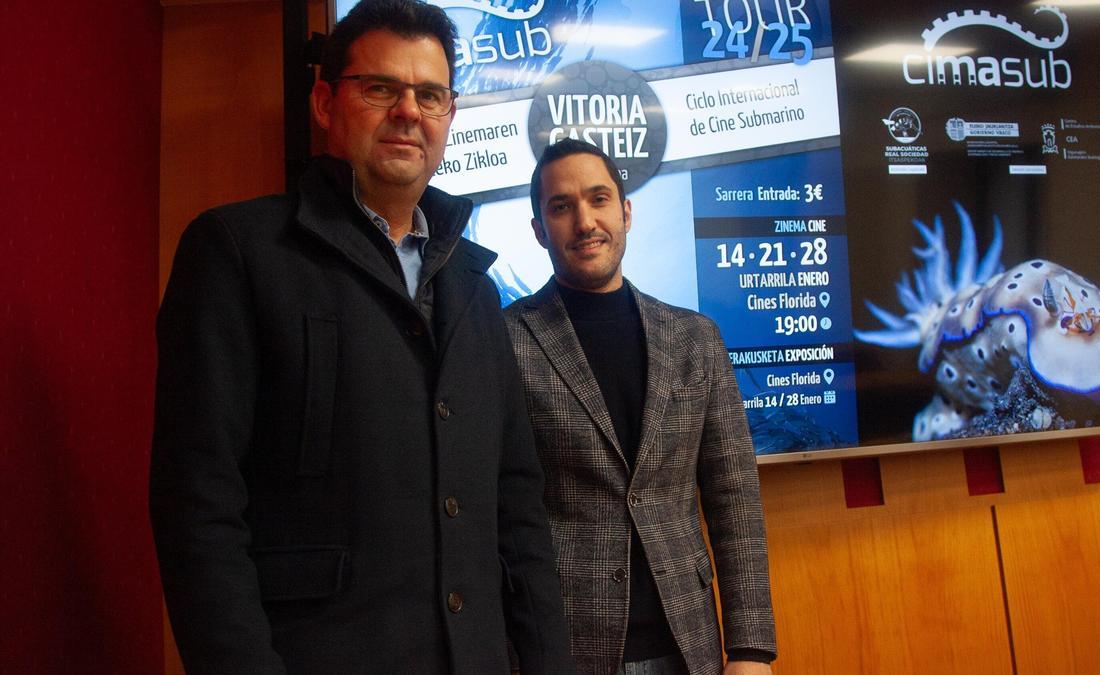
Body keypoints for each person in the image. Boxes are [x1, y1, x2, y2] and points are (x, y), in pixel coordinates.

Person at [149, 1, 572, 672]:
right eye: (380, 88)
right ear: (324, 102)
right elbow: (198, 506)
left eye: (429, 95)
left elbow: (517, 507)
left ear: (449, 116)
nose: (408, 111)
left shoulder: (475, 288)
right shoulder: (237, 252)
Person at [504, 138, 777, 675]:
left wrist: (750, 649)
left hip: (688, 643)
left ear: (625, 212)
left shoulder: (695, 339)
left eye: (599, 199)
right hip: (560, 648)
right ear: (539, 230)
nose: (585, 221)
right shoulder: (504, 340)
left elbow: (734, 497)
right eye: (561, 206)